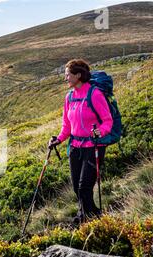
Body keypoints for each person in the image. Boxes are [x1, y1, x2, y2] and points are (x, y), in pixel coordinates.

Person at [49, 59, 113, 225]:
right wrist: (59, 139)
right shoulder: (69, 97)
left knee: (85, 187)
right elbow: (67, 125)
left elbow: (107, 120)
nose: (66, 79)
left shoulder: (94, 94)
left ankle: (84, 221)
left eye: (68, 75)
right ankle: (93, 216)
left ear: (78, 75)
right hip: (75, 147)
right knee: (78, 189)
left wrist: (101, 131)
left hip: (94, 146)